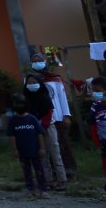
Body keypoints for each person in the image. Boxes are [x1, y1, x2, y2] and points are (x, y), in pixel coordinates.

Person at [32, 51, 77, 180]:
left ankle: (68, 172)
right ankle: (49, 175)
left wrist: (66, 115)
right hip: (40, 118)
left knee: (61, 145)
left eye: (39, 61)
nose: (37, 63)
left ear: (44, 62)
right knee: (44, 148)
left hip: (57, 116)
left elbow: (62, 97)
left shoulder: (55, 78)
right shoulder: (30, 79)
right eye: (34, 62)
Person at [23, 72, 65, 190]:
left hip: (48, 127)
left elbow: (49, 112)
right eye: (29, 83)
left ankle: (62, 180)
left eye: (34, 82)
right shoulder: (26, 99)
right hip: (34, 130)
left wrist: (42, 126)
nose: (32, 85)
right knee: (42, 155)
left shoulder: (45, 96)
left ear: (39, 83)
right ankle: (48, 180)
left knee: (55, 153)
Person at [5, 93, 49, 198]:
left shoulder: (32, 119)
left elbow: (40, 134)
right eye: (17, 104)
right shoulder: (13, 120)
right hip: (22, 151)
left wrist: (42, 148)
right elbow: (12, 136)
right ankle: (30, 189)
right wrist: (15, 150)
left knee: (39, 170)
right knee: (27, 171)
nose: (19, 106)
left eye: (21, 104)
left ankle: (43, 189)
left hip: (35, 150)